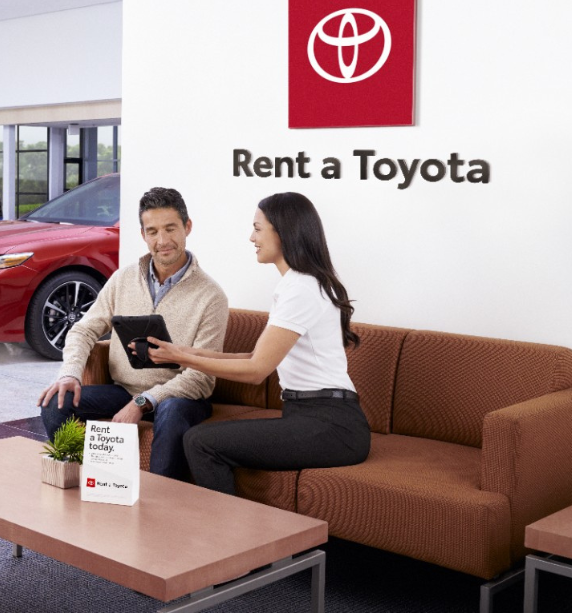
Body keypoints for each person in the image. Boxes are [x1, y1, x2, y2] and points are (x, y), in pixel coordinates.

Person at [146, 191, 370, 496]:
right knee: (202, 440)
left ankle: (228, 541)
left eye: (258, 228)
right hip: (311, 416)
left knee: (200, 442)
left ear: (283, 231)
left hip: (332, 425)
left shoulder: (301, 288)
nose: (252, 237)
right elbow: (254, 354)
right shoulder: (295, 284)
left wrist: (184, 358)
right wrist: (182, 353)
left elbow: (256, 370)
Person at [37, 187, 228, 481]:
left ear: (187, 227)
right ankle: (88, 484)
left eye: (170, 229)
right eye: (152, 231)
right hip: (123, 390)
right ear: (143, 235)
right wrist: (71, 373)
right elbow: (84, 329)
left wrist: (144, 402)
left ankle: (161, 504)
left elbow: (201, 379)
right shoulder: (124, 278)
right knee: (56, 402)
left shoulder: (211, 296)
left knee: (173, 411)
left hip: (180, 398)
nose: (162, 241)